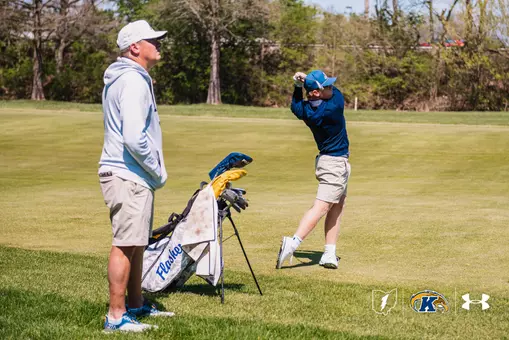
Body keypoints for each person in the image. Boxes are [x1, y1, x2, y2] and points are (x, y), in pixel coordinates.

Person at [98, 20, 173, 333]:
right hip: (129, 173)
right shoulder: (133, 81)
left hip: (132, 174)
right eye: (152, 40)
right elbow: (134, 137)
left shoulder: (133, 78)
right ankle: (116, 317)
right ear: (134, 47)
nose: (158, 44)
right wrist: (156, 169)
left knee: (137, 242)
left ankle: (136, 304)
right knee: (125, 244)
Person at [276, 70, 351, 270]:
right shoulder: (334, 106)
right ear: (316, 93)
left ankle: (329, 253)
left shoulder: (306, 110)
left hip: (329, 162)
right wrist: (304, 82)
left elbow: (295, 105)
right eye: (326, 86)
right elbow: (337, 93)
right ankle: (292, 243)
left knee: (337, 206)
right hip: (334, 164)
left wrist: (298, 86)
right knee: (322, 207)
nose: (331, 87)